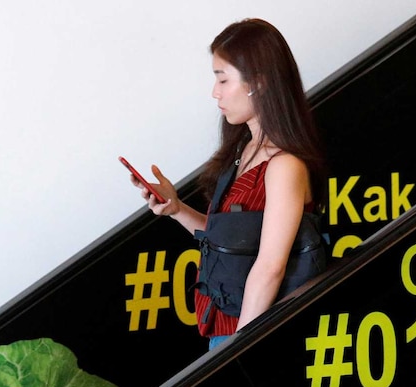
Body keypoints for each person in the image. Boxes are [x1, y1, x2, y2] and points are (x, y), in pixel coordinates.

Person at [132, 18, 326, 350]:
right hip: (225, 325)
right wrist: (176, 209)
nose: (215, 92)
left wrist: (239, 349)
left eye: (223, 79)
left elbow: (269, 267)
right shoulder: (243, 150)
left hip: (253, 334)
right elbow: (231, 242)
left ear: (259, 83)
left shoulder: (285, 166)